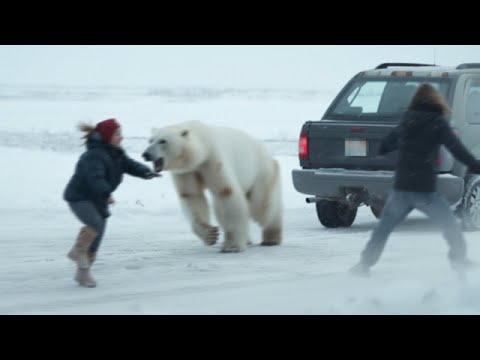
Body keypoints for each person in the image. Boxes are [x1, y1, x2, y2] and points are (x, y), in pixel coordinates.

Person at [350, 83, 480, 277]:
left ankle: (364, 265)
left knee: (383, 229)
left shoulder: (407, 120)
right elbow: (456, 148)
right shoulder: (438, 122)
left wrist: (389, 149)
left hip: (401, 188)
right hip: (423, 191)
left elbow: (387, 144)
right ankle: (459, 261)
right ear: (436, 100)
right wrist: (475, 165)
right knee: (450, 225)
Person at [64, 118, 159, 287]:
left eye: (120, 133)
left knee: (97, 236)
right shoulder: (94, 155)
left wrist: (146, 172)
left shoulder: (116, 152)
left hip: (98, 198)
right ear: (107, 136)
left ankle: (82, 273)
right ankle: (78, 252)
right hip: (80, 197)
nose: (121, 137)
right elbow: (95, 178)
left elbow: (129, 165)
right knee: (95, 224)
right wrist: (106, 193)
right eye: (117, 134)